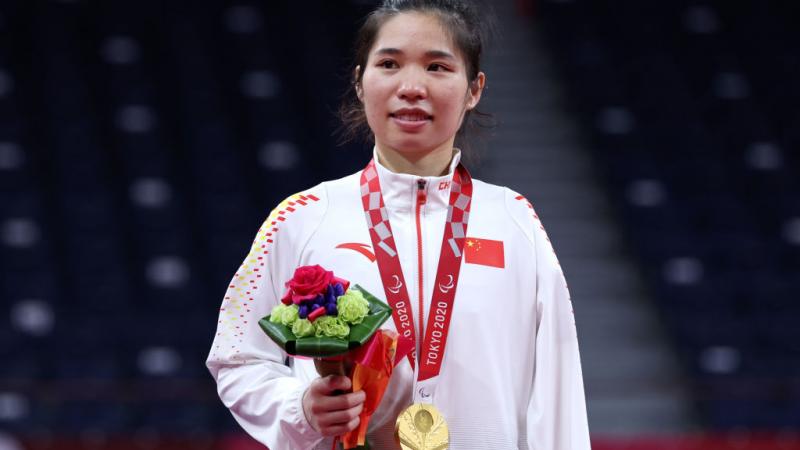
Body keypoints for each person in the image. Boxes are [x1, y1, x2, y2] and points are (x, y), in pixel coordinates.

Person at [207, 0, 591, 448]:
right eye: (389, 63)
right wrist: (300, 406)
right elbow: (237, 360)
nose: (411, 86)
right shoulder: (301, 217)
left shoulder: (514, 219)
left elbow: (557, 384)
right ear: (359, 81)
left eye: (437, 67)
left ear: (474, 89)